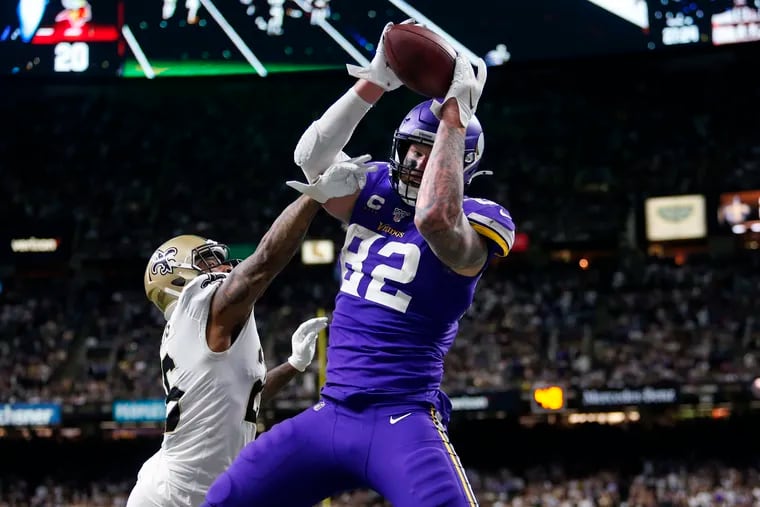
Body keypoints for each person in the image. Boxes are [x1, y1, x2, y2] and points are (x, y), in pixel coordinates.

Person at [203, 22, 515, 507]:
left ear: (458, 160)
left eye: (427, 150)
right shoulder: (375, 191)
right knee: (223, 500)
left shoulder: (479, 220)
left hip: (403, 417)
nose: (413, 159)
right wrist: (373, 84)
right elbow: (310, 157)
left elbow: (435, 217)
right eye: (411, 146)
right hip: (331, 413)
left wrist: (454, 114)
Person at [126, 156, 376, 507]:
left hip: (194, 489)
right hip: (176, 496)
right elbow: (261, 265)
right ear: (177, 277)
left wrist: (293, 365)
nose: (222, 265)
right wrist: (313, 197)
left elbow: (244, 402)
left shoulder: (200, 329)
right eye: (207, 261)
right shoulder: (199, 307)